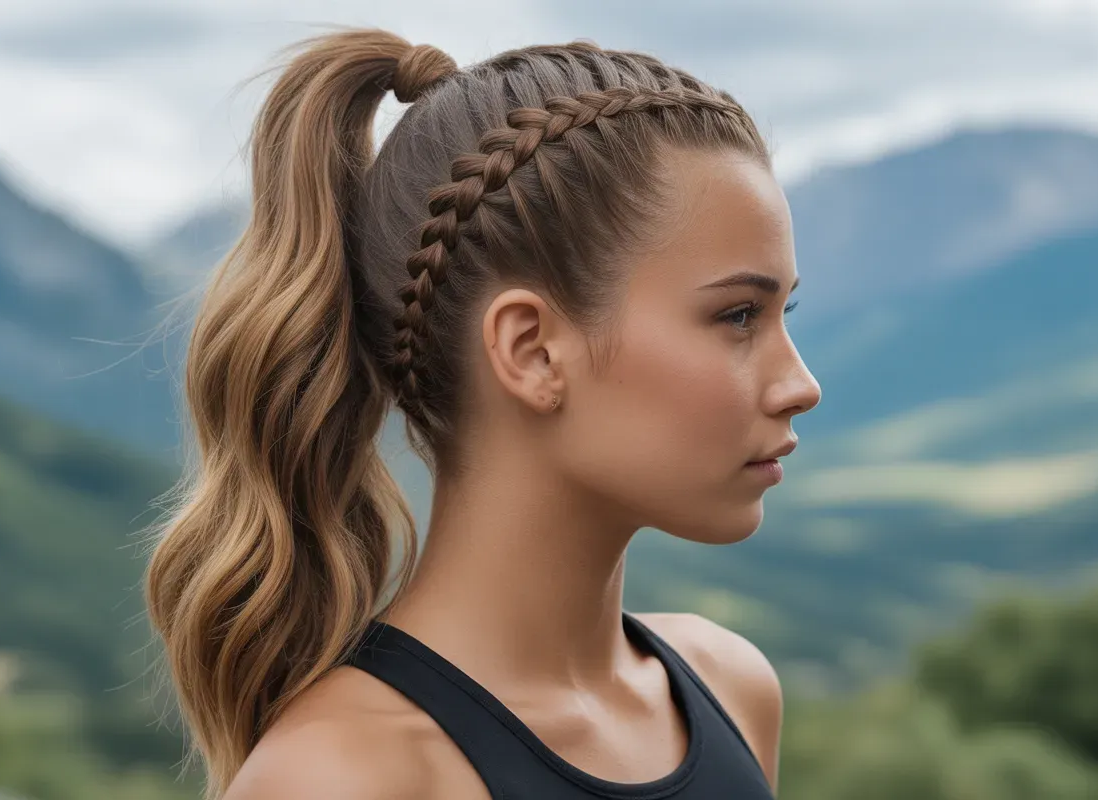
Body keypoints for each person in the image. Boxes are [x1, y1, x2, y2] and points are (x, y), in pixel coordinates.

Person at [144, 26, 821, 800]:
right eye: (738, 316)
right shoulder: (345, 778)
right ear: (531, 351)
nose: (801, 383)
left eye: (783, 314)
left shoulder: (730, 688)